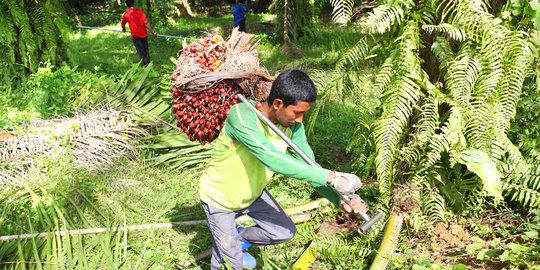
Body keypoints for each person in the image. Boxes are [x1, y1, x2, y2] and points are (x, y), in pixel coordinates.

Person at [198, 69, 369, 269]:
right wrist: (332, 177)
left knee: (283, 232)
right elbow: (270, 157)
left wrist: (341, 198)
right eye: (297, 113)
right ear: (278, 103)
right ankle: (228, 249)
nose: (300, 120)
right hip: (220, 199)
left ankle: (235, 239)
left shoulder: (293, 128)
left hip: (252, 195)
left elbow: (310, 168)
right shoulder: (242, 115)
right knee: (229, 263)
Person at [121, 0, 157, 66]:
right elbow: (146, 23)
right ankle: (148, 63)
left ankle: (146, 65)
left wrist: (123, 29)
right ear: (134, 4)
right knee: (146, 49)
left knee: (141, 50)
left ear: (127, 5)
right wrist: (153, 32)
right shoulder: (140, 11)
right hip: (144, 34)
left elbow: (123, 23)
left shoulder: (126, 14)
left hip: (135, 35)